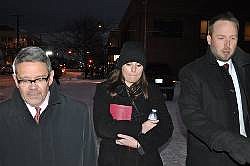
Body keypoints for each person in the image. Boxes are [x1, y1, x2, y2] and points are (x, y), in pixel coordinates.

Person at [0, 46, 97, 166]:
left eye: (40, 79)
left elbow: (89, 159)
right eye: (25, 80)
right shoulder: (2, 116)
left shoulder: (78, 113)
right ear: (15, 80)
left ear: (50, 77)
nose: (33, 87)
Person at [178, 12, 250, 166]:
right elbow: (192, 116)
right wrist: (234, 144)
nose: (227, 45)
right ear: (209, 39)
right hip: (210, 159)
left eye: (233, 38)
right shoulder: (192, 72)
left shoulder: (246, 67)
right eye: (221, 38)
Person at [93, 41, 173, 166]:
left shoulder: (152, 91)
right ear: (121, 65)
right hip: (113, 159)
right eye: (129, 64)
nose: (134, 70)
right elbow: (102, 127)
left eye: (138, 65)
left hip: (145, 158)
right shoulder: (105, 90)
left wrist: (140, 144)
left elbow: (166, 127)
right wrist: (140, 127)